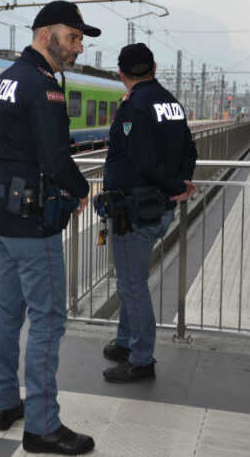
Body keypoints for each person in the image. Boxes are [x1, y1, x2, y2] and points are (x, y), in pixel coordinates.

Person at [0, 1, 99, 455]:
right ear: (47, 33)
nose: (77, 47)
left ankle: (4, 402)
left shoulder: (5, 79)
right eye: (73, 37)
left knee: (9, 312)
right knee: (48, 317)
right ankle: (42, 426)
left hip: (0, 215)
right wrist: (81, 189)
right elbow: (55, 158)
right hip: (31, 222)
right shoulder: (43, 87)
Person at [99, 43, 197, 383]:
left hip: (135, 208)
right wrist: (181, 183)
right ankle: (125, 341)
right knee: (133, 280)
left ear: (122, 73)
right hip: (161, 207)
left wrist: (172, 185)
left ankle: (141, 358)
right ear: (154, 66)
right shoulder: (171, 103)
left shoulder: (135, 106)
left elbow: (141, 159)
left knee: (131, 284)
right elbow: (190, 147)